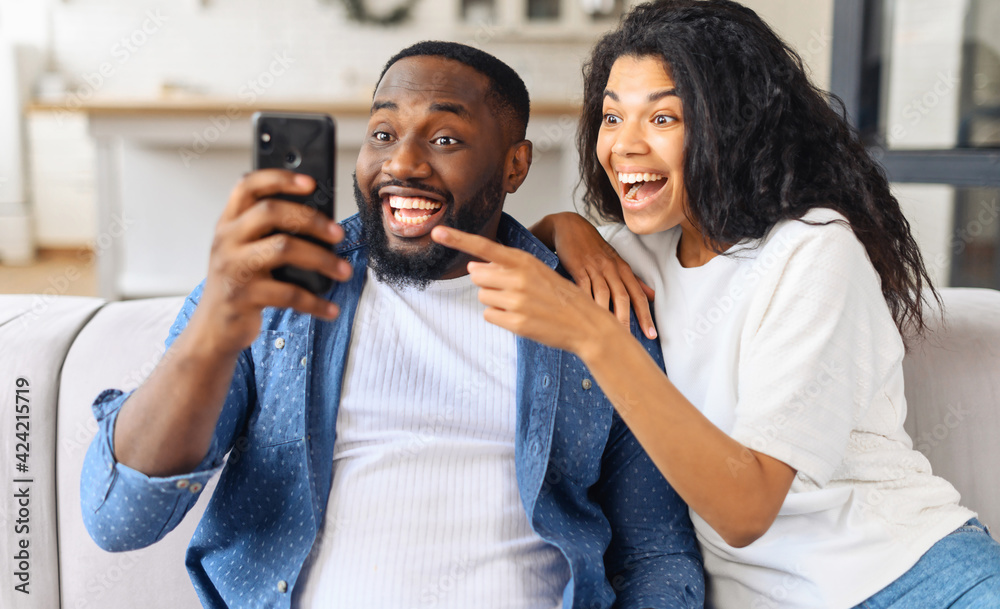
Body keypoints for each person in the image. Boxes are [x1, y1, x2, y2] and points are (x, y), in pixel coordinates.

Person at [80, 40, 704, 609]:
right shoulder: (264, 301)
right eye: (382, 133)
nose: (401, 163)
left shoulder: (593, 313)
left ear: (515, 166)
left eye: (445, 140)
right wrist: (213, 330)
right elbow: (119, 520)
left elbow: (657, 556)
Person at [431, 0, 1000, 608]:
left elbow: (745, 509)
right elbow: (514, 253)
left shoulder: (812, 251)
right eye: (612, 117)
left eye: (664, 119)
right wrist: (565, 225)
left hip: (914, 582)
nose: (624, 145)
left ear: (732, 126)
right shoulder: (636, 253)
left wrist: (597, 340)